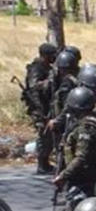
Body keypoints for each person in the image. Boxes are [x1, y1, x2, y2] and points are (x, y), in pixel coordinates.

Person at [23, 43, 58, 174]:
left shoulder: (47, 67)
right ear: (44, 56)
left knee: (49, 136)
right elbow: (34, 87)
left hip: (46, 105)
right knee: (44, 136)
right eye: (51, 55)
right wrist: (50, 80)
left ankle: (45, 162)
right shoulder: (36, 68)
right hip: (39, 108)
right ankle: (42, 164)